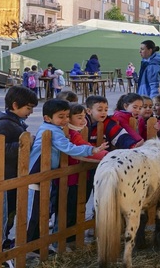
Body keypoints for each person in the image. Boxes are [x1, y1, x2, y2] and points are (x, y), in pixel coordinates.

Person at [27, 99, 108, 244]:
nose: (65, 120)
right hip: (37, 174)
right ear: (47, 118)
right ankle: (32, 244)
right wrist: (92, 149)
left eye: (66, 116)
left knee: (42, 210)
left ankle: (36, 244)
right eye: (61, 116)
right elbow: (69, 148)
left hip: (44, 174)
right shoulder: (52, 131)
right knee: (36, 212)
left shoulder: (52, 128)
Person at [0, 86, 38, 258]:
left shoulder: (13, 121)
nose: (30, 112)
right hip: (0, 177)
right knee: (3, 215)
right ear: (15, 105)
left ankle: (4, 241)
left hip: (10, 176)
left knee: (10, 213)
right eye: (28, 108)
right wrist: (25, 144)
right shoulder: (3, 123)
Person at [63, 103, 108, 243]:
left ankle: (72, 237)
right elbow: (86, 150)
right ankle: (68, 240)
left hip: (78, 178)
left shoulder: (76, 132)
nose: (84, 121)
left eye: (84, 117)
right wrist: (111, 156)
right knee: (69, 210)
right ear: (68, 119)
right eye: (79, 118)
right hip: (70, 180)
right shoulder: (71, 134)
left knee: (76, 208)